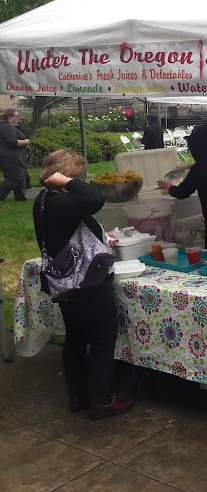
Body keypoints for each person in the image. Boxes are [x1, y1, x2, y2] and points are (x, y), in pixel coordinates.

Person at [33, 149, 134, 419]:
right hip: (86, 281)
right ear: (63, 178)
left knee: (75, 338)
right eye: (78, 176)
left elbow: (74, 225)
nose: (83, 181)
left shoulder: (43, 201)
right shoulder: (61, 202)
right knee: (102, 338)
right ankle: (101, 400)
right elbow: (94, 198)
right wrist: (67, 182)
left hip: (64, 281)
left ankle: (78, 394)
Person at [0, 108, 30, 202]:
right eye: (16, 116)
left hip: (15, 157)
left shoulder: (11, 126)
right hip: (11, 157)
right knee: (14, 178)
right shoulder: (6, 126)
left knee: (20, 177)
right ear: (10, 117)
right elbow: (12, 142)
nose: (18, 118)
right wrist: (25, 142)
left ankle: (20, 197)